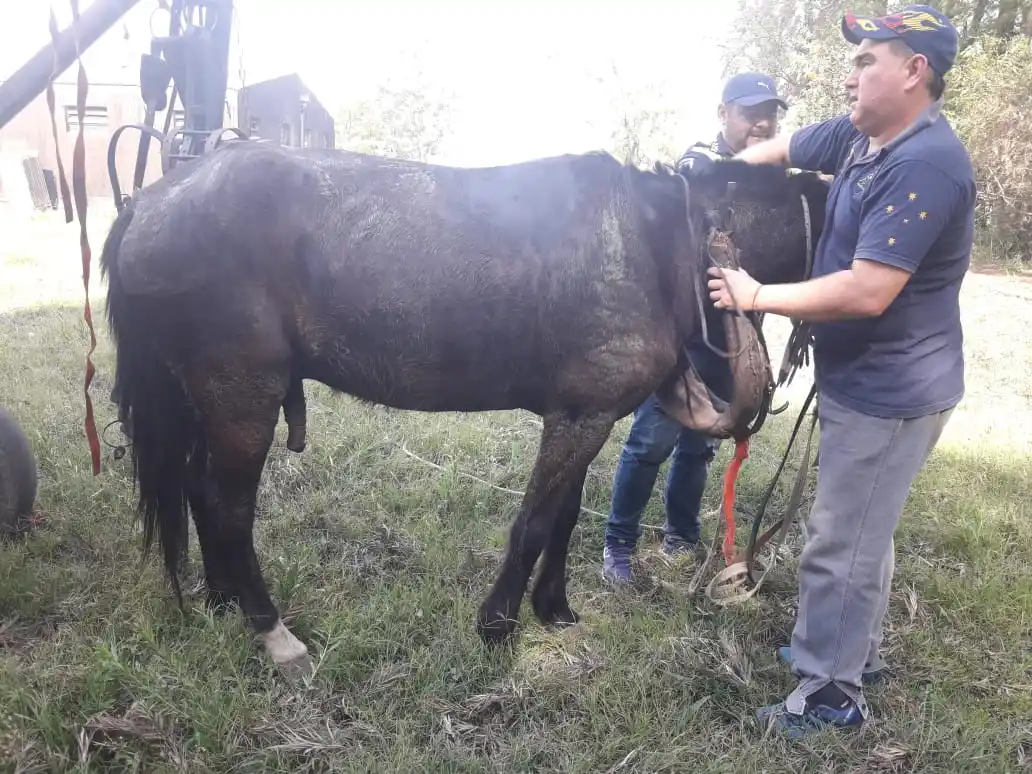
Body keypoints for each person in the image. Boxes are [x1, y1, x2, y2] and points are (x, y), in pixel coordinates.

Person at [707, 5, 973, 736]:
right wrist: (721, 170)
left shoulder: (924, 164)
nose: (851, 73)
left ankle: (829, 695)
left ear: (915, 71)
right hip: (871, 378)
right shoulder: (865, 134)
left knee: (839, 539)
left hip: (895, 389)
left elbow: (868, 289)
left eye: (867, 61)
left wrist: (758, 295)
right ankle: (859, 651)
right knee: (864, 530)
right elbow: (790, 144)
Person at [601, 72, 788, 584]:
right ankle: (618, 542)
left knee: (702, 445)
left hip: (736, 339)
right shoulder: (700, 163)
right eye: (751, 111)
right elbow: (691, 184)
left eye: (770, 111)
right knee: (650, 441)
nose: (763, 121)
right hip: (685, 338)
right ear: (724, 112)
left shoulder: (779, 174)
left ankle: (681, 533)